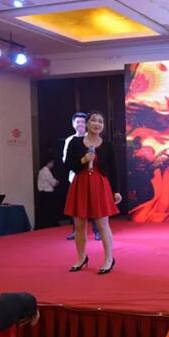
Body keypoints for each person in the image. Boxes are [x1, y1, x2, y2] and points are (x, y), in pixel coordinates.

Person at [64, 111, 121, 274]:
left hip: (99, 185)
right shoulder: (75, 142)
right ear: (87, 123)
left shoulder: (107, 145)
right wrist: (83, 160)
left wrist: (116, 190)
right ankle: (81, 258)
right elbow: (67, 165)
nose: (97, 124)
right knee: (79, 225)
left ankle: (109, 259)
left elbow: (114, 170)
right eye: (94, 120)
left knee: (103, 225)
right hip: (80, 184)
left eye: (100, 122)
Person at [62, 112, 100, 241]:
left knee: (94, 204)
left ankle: (97, 231)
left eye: (83, 122)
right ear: (73, 124)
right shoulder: (69, 140)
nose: (80, 124)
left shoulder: (92, 138)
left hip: (91, 176)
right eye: (77, 122)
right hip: (75, 177)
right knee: (76, 206)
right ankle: (76, 231)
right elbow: (65, 159)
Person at [36, 158, 60, 229]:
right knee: (49, 211)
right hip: (48, 194)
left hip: (42, 194)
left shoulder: (41, 171)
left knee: (44, 211)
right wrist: (57, 182)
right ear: (48, 163)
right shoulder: (46, 172)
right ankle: (50, 225)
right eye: (52, 163)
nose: (53, 165)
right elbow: (53, 182)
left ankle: (44, 225)